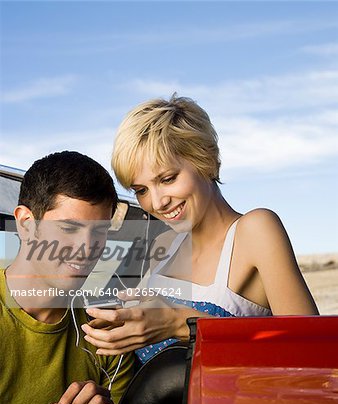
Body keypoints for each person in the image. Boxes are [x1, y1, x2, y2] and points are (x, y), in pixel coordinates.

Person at [81, 95, 319, 364]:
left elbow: (311, 352)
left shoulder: (255, 230)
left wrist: (181, 325)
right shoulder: (165, 243)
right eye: (141, 190)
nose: (157, 203)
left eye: (168, 179)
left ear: (204, 160)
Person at [0, 151, 134, 404]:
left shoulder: (106, 327)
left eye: (99, 232)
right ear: (25, 223)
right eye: (69, 228)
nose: (86, 249)